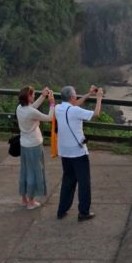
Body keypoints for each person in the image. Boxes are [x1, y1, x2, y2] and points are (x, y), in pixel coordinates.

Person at [54, 84, 103, 221]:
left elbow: (74, 105)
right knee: (84, 182)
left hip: (64, 151)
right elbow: (96, 114)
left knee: (68, 180)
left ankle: (62, 210)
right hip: (78, 152)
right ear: (71, 97)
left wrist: (88, 94)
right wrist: (98, 98)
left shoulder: (58, 108)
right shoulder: (74, 111)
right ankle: (83, 212)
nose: (76, 96)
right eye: (75, 94)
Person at [16, 85, 54, 209]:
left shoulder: (20, 108)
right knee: (33, 172)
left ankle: (24, 199)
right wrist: (52, 103)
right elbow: (49, 118)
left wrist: (42, 96)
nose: (34, 96)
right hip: (34, 145)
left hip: (24, 144)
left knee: (25, 171)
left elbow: (32, 108)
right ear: (28, 97)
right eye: (32, 95)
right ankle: (31, 202)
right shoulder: (31, 112)